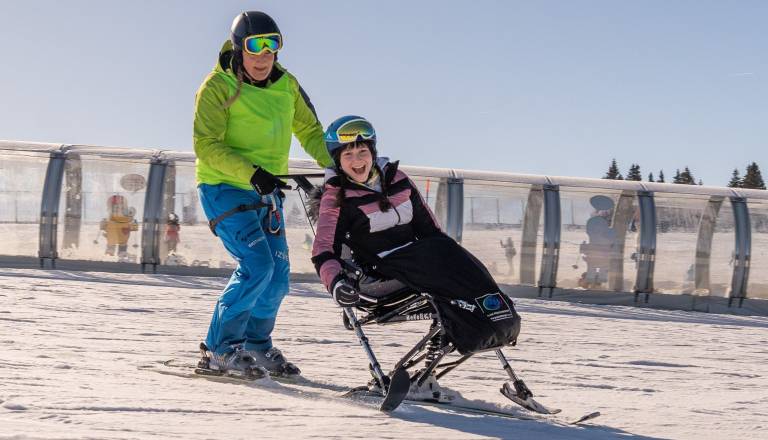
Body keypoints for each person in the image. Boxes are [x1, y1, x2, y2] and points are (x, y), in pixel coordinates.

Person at [194, 11, 332, 375]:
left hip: (267, 192)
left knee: (278, 277)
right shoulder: (216, 86)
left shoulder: (287, 85)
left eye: (271, 47)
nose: (263, 56)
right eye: (255, 47)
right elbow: (206, 145)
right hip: (224, 186)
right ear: (239, 48)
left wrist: (343, 166)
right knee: (257, 266)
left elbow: (311, 132)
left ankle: (256, 345)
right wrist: (252, 173)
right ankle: (218, 350)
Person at [311, 116, 520, 355]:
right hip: (380, 270)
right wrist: (336, 283)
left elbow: (429, 230)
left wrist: (453, 255)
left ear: (372, 152)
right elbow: (323, 250)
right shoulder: (336, 197)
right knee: (443, 264)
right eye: (348, 155)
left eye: (362, 152)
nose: (357, 160)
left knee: (457, 258)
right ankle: (463, 331)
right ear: (338, 160)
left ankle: (501, 321)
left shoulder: (398, 180)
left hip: (419, 259)